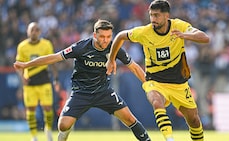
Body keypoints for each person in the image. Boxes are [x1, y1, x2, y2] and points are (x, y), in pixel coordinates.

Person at [14, 19, 151, 141]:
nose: (105, 40)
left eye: (109, 37)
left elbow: (134, 67)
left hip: (103, 92)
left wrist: (150, 86)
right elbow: (54, 57)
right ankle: (63, 136)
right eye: (102, 36)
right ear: (94, 35)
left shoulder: (114, 48)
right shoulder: (81, 47)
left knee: (129, 119)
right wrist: (26, 65)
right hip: (81, 93)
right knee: (63, 125)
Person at [106, 0, 210, 141]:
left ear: (167, 16)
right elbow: (120, 36)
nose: (153, 19)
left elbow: (205, 38)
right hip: (155, 81)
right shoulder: (144, 32)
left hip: (178, 83)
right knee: (156, 101)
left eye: (156, 15)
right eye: (151, 15)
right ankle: (169, 138)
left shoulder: (178, 25)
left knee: (194, 120)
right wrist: (111, 59)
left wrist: (185, 35)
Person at [15, 22, 58, 141]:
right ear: (28, 32)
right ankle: (34, 136)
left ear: (40, 32)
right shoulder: (22, 46)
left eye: (37, 29)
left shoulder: (46, 44)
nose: (34, 32)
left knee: (48, 108)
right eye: (32, 29)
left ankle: (48, 130)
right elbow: (18, 65)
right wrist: (22, 77)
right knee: (30, 110)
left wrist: (56, 78)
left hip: (44, 81)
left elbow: (52, 61)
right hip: (29, 83)